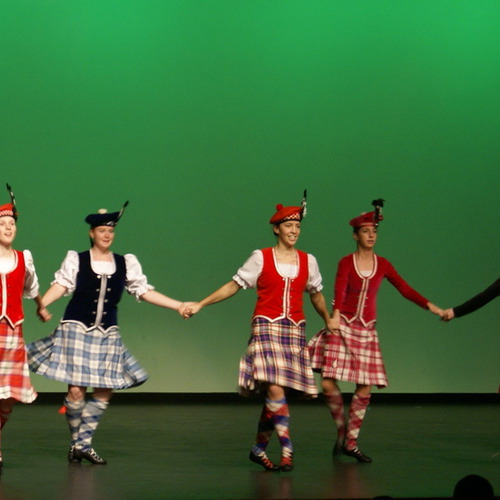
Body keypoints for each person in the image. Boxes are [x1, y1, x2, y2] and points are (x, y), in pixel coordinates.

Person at [185, 194, 335, 472]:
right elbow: (234, 285)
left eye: (297, 226)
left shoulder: (308, 261)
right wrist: (200, 304)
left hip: (294, 329)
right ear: (276, 228)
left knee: (275, 395)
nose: (294, 231)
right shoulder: (261, 257)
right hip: (266, 325)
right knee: (275, 387)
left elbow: (316, 295)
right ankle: (288, 451)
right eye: (288, 226)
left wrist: (327, 319)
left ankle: (258, 448)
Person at [28, 203, 187, 465]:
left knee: (105, 389)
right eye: (101, 231)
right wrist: (42, 304)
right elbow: (61, 285)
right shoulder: (76, 259)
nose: (106, 235)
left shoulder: (126, 262)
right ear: (92, 233)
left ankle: (82, 444)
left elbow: (143, 291)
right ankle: (78, 443)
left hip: (107, 331)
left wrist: (178, 305)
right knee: (77, 392)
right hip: (76, 328)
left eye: (110, 232)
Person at [308, 199, 444, 463]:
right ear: (355, 235)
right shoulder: (346, 262)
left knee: (365, 387)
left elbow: (404, 289)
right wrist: (334, 316)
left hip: (366, 329)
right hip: (344, 324)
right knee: (326, 382)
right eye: (366, 231)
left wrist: (433, 308)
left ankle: (351, 441)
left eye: (374, 231)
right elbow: (340, 288)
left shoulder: (383, 264)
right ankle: (340, 430)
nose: (371, 235)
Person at [0, 184, 50, 470]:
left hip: (12, 334)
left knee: (7, 399)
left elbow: (32, 289)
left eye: (11, 224)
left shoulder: (23, 258)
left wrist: (41, 306)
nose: (8, 228)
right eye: (3, 223)